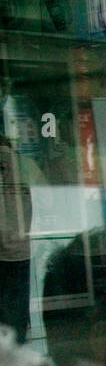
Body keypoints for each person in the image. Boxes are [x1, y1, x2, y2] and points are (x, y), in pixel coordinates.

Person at [0, 136, 43, 344]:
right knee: (16, 311)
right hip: (20, 249)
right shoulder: (26, 165)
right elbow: (49, 201)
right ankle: (15, 358)